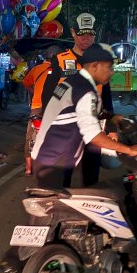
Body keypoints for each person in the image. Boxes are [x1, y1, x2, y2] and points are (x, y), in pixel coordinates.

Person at [31, 43, 137, 189]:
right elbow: (93, 136)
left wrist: (112, 118)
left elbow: (81, 110)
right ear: (95, 66)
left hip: (52, 155)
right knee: (54, 207)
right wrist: (129, 150)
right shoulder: (85, 91)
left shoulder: (74, 81)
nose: (112, 73)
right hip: (53, 161)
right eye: (109, 67)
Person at [40, 12, 118, 186]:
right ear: (74, 33)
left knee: (92, 177)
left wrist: (112, 128)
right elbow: (48, 97)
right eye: (82, 34)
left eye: (90, 34)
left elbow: (106, 98)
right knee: (62, 177)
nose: (86, 38)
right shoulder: (60, 60)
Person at [21, 45, 58, 176]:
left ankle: (28, 168)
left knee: (29, 136)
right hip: (53, 107)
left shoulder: (37, 69)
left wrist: (34, 91)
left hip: (36, 107)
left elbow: (25, 82)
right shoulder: (60, 70)